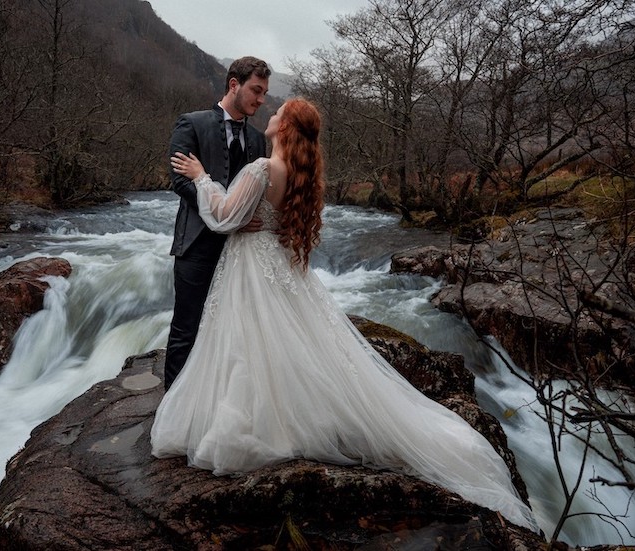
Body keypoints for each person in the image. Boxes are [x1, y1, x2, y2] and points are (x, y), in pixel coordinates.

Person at [150, 98, 540, 532]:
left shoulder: (262, 169)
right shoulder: (299, 174)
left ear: (285, 128)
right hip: (279, 269)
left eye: (278, 112)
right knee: (281, 342)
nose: (271, 114)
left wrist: (201, 177)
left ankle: (258, 424)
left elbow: (223, 216)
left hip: (250, 270)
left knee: (249, 342)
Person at [164, 56, 271, 391]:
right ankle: (171, 410)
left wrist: (240, 218)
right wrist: (225, 214)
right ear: (234, 84)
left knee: (230, 329)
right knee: (186, 329)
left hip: (239, 250)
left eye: (265, 92)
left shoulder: (256, 140)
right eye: (256, 90)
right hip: (196, 245)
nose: (261, 99)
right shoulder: (191, 124)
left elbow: (254, 192)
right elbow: (179, 181)